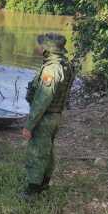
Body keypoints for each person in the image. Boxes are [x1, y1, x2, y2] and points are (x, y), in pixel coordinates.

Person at [21, 33, 73, 200]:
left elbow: (42, 100)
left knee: (37, 153)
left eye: (41, 45)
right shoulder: (65, 65)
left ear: (47, 49)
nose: (39, 47)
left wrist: (29, 125)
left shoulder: (51, 69)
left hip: (45, 117)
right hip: (55, 116)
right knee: (47, 151)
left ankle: (32, 191)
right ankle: (43, 184)